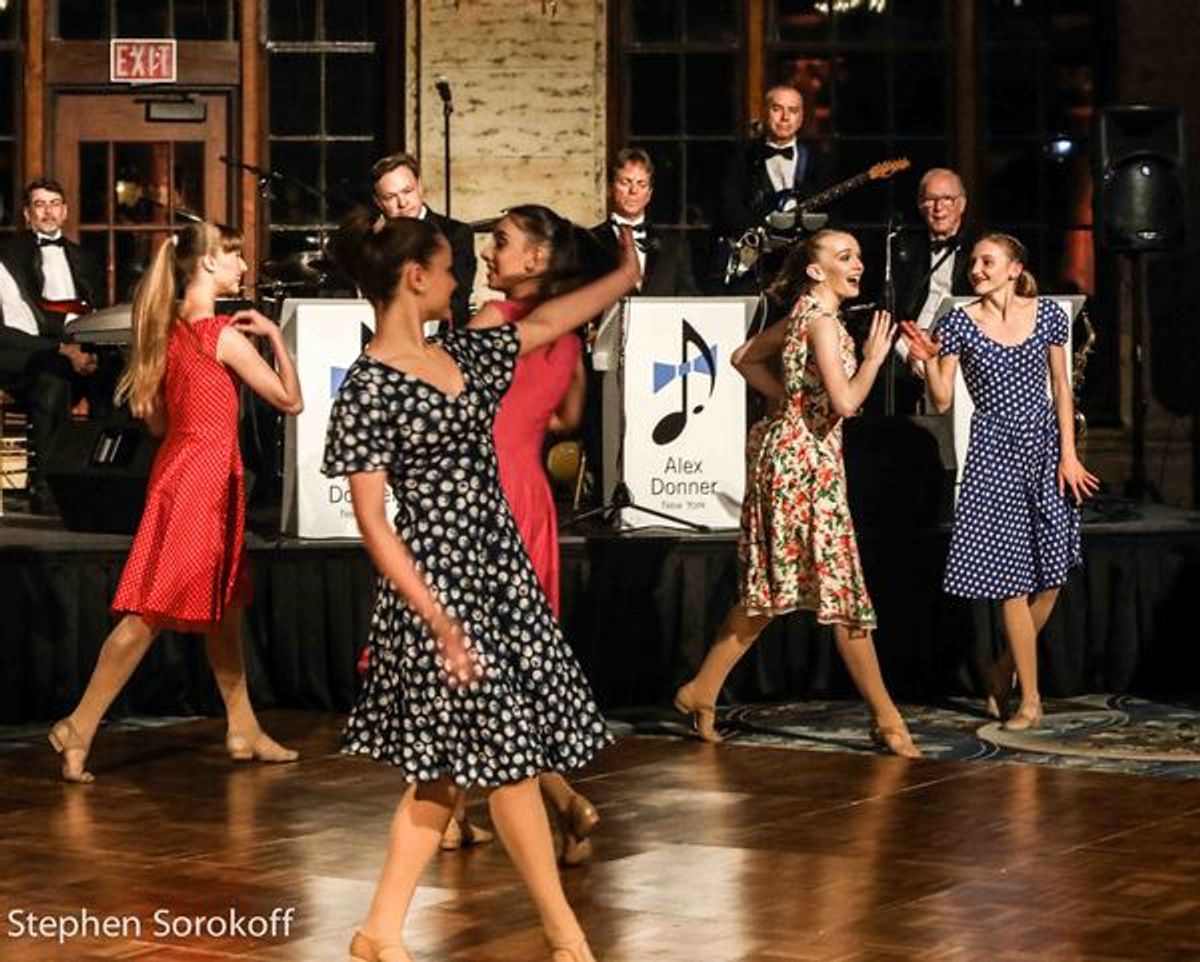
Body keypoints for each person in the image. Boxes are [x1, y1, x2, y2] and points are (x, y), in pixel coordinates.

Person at [322, 210, 638, 962]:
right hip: (436, 590)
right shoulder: (369, 386)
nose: (459, 280)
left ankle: (379, 931)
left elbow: (551, 319)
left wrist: (624, 278)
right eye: (448, 268)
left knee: (443, 775)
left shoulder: (464, 352)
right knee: (508, 761)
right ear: (416, 278)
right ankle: (567, 938)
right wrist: (436, 619)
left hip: (497, 575)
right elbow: (373, 523)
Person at [46, 222, 304, 783]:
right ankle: (78, 725)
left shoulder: (166, 332)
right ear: (208, 263)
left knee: (224, 605)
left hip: (180, 471)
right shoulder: (220, 335)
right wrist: (275, 336)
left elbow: (160, 424)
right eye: (234, 256)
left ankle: (243, 726)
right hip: (202, 479)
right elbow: (291, 400)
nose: (242, 266)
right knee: (151, 611)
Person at [673, 228, 921, 758]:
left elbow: (743, 357)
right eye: (844, 257)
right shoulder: (823, 323)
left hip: (789, 458)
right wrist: (874, 359)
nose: (858, 264)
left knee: (775, 586)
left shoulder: (803, 316)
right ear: (815, 270)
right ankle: (889, 721)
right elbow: (846, 402)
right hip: (804, 468)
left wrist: (790, 401)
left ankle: (702, 690)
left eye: (858, 255)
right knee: (841, 591)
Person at [901, 233, 1099, 731]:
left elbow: (1061, 387)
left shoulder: (1048, 315)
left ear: (1014, 268)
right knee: (1013, 582)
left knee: (1053, 575)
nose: (976, 270)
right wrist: (926, 360)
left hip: (1046, 448)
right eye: (973, 263)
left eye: (987, 261)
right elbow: (942, 399)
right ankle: (1030, 700)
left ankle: (1003, 666)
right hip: (993, 453)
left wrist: (1069, 455)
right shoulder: (959, 322)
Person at [465, 205, 598, 865]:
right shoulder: (568, 335)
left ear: (537, 258)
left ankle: (563, 799)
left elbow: (448, 399)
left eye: (500, 242)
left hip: (486, 494)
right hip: (533, 497)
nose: (488, 253)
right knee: (510, 657)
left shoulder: (493, 320)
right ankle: (457, 813)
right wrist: (524, 422)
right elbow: (570, 417)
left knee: (475, 656)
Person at [0, 178, 114, 513]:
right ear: (27, 214)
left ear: (64, 211)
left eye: (54, 204)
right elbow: (14, 324)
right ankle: (48, 490)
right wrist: (62, 350)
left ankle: (102, 483)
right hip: (23, 353)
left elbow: (98, 312)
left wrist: (92, 352)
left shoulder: (84, 258)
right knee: (54, 376)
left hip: (79, 348)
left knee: (120, 374)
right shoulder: (7, 257)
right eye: (39, 205)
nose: (48, 212)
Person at [719, 84, 833, 290]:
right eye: (777, 109)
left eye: (793, 110)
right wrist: (760, 236)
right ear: (764, 112)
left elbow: (830, 214)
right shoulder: (741, 157)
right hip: (756, 265)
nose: (785, 117)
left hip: (806, 264)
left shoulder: (819, 159)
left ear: (801, 117)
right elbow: (730, 206)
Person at [887, 167, 975, 413]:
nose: (938, 208)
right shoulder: (903, 248)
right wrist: (908, 352)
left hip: (963, 348)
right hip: (911, 346)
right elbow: (888, 309)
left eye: (947, 199)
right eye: (930, 199)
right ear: (920, 205)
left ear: (962, 204)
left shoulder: (979, 248)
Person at [372, 152, 477, 326]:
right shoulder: (373, 239)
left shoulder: (456, 234)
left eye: (407, 191)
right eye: (390, 197)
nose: (402, 203)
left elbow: (457, 300)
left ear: (420, 186)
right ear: (378, 202)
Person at [590, 147, 697, 296]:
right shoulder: (589, 242)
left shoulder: (675, 247)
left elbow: (689, 301)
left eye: (641, 184)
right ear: (610, 188)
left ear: (649, 193)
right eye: (626, 182)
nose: (634, 191)